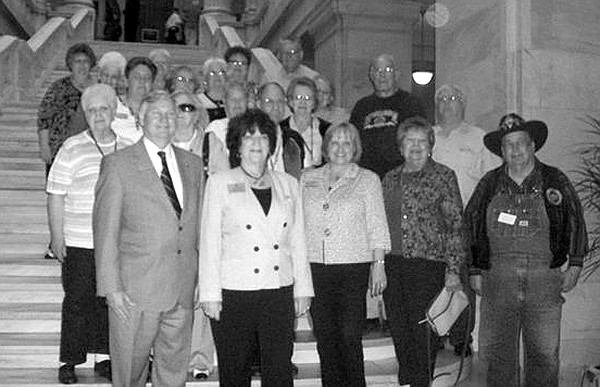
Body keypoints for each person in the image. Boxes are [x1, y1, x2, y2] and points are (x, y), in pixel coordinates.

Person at [465, 113, 588, 387]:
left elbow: (576, 220)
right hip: (498, 280)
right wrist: (474, 269)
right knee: (497, 356)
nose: (515, 150)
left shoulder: (554, 180)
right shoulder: (489, 184)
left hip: (544, 280)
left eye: (520, 143)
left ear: (532, 145)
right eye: (508, 145)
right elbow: (471, 224)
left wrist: (576, 264)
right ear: (501, 150)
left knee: (545, 356)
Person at [93, 90, 203, 386]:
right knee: (130, 373)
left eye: (170, 113)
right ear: (141, 119)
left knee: (173, 372)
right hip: (134, 293)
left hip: (181, 290)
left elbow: (195, 230)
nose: (165, 120)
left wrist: (199, 278)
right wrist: (111, 288)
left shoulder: (193, 165)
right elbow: (105, 232)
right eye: (156, 114)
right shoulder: (118, 165)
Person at [199, 109, 314, 387]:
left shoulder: (288, 183)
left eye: (263, 136)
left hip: (278, 288)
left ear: (271, 145)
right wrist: (210, 294)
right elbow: (210, 240)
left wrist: (303, 288)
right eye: (248, 136)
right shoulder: (220, 182)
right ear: (237, 145)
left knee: (279, 369)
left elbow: (297, 240)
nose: (256, 142)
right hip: (234, 291)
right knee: (235, 368)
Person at [47, 84, 133, 384]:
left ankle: (105, 357)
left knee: (108, 300)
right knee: (77, 300)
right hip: (79, 240)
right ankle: (70, 360)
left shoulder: (128, 146)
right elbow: (55, 193)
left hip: (115, 244)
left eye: (103, 109)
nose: (98, 115)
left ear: (114, 112)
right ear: (85, 114)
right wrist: (57, 237)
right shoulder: (72, 147)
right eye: (92, 110)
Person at [301, 122, 390, 387]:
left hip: (353, 268)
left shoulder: (368, 179)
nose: (340, 148)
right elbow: (296, 224)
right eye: (335, 142)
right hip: (316, 266)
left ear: (355, 148)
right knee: (325, 338)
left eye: (347, 142)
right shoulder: (307, 178)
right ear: (326, 147)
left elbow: (377, 224)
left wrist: (379, 263)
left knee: (350, 336)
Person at [382, 117, 466, 387]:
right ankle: (407, 380)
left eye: (422, 141)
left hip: (428, 266)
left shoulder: (443, 176)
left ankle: (420, 382)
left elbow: (456, 225)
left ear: (431, 145)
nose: (415, 146)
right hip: (393, 265)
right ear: (400, 146)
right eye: (409, 140)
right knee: (399, 328)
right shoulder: (390, 178)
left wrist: (453, 270)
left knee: (423, 333)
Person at [431, 84, 501, 357]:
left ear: (463, 104)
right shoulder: (429, 135)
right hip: (431, 223)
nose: (447, 103)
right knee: (433, 280)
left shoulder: (478, 137)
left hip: (465, 223)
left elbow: (491, 182)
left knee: (462, 282)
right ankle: (435, 333)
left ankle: (462, 337)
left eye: (453, 98)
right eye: (442, 99)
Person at [168, 91, 213, 380]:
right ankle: (169, 358)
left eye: (188, 106)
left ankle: (200, 358)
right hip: (168, 232)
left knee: (201, 294)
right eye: (176, 106)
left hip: (202, 227)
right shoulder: (159, 141)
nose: (182, 111)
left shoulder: (211, 145)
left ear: (197, 113)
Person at [350, 53, 425, 179]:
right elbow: (353, 143)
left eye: (388, 70)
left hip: (402, 177)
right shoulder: (361, 107)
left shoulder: (411, 104)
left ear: (397, 74)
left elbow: (422, 142)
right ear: (371, 75)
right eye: (378, 70)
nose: (382, 75)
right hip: (367, 178)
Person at [38, 43, 96, 177]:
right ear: (70, 64)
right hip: (60, 148)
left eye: (86, 61)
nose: (82, 65)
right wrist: (44, 146)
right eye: (77, 61)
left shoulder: (98, 88)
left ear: (91, 63)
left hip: (90, 150)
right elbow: (44, 118)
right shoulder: (58, 87)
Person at [257, 82, 306, 179]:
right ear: (258, 104)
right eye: (269, 101)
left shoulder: (293, 139)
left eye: (280, 101)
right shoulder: (247, 137)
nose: (275, 107)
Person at [280, 76, 331, 168]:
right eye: (298, 97)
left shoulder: (327, 130)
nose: (302, 102)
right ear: (291, 101)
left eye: (308, 98)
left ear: (314, 103)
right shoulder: (279, 129)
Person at [203, 82, 249, 175]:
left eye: (241, 99)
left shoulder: (255, 128)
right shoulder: (214, 128)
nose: (237, 103)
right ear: (224, 101)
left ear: (247, 101)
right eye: (233, 99)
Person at [112, 56, 157, 143]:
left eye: (147, 78)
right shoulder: (112, 104)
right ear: (126, 80)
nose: (142, 81)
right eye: (137, 77)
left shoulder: (156, 109)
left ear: (152, 84)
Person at [198, 57, 227, 122]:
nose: (217, 77)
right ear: (205, 78)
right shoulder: (198, 101)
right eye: (212, 73)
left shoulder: (232, 100)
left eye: (221, 73)